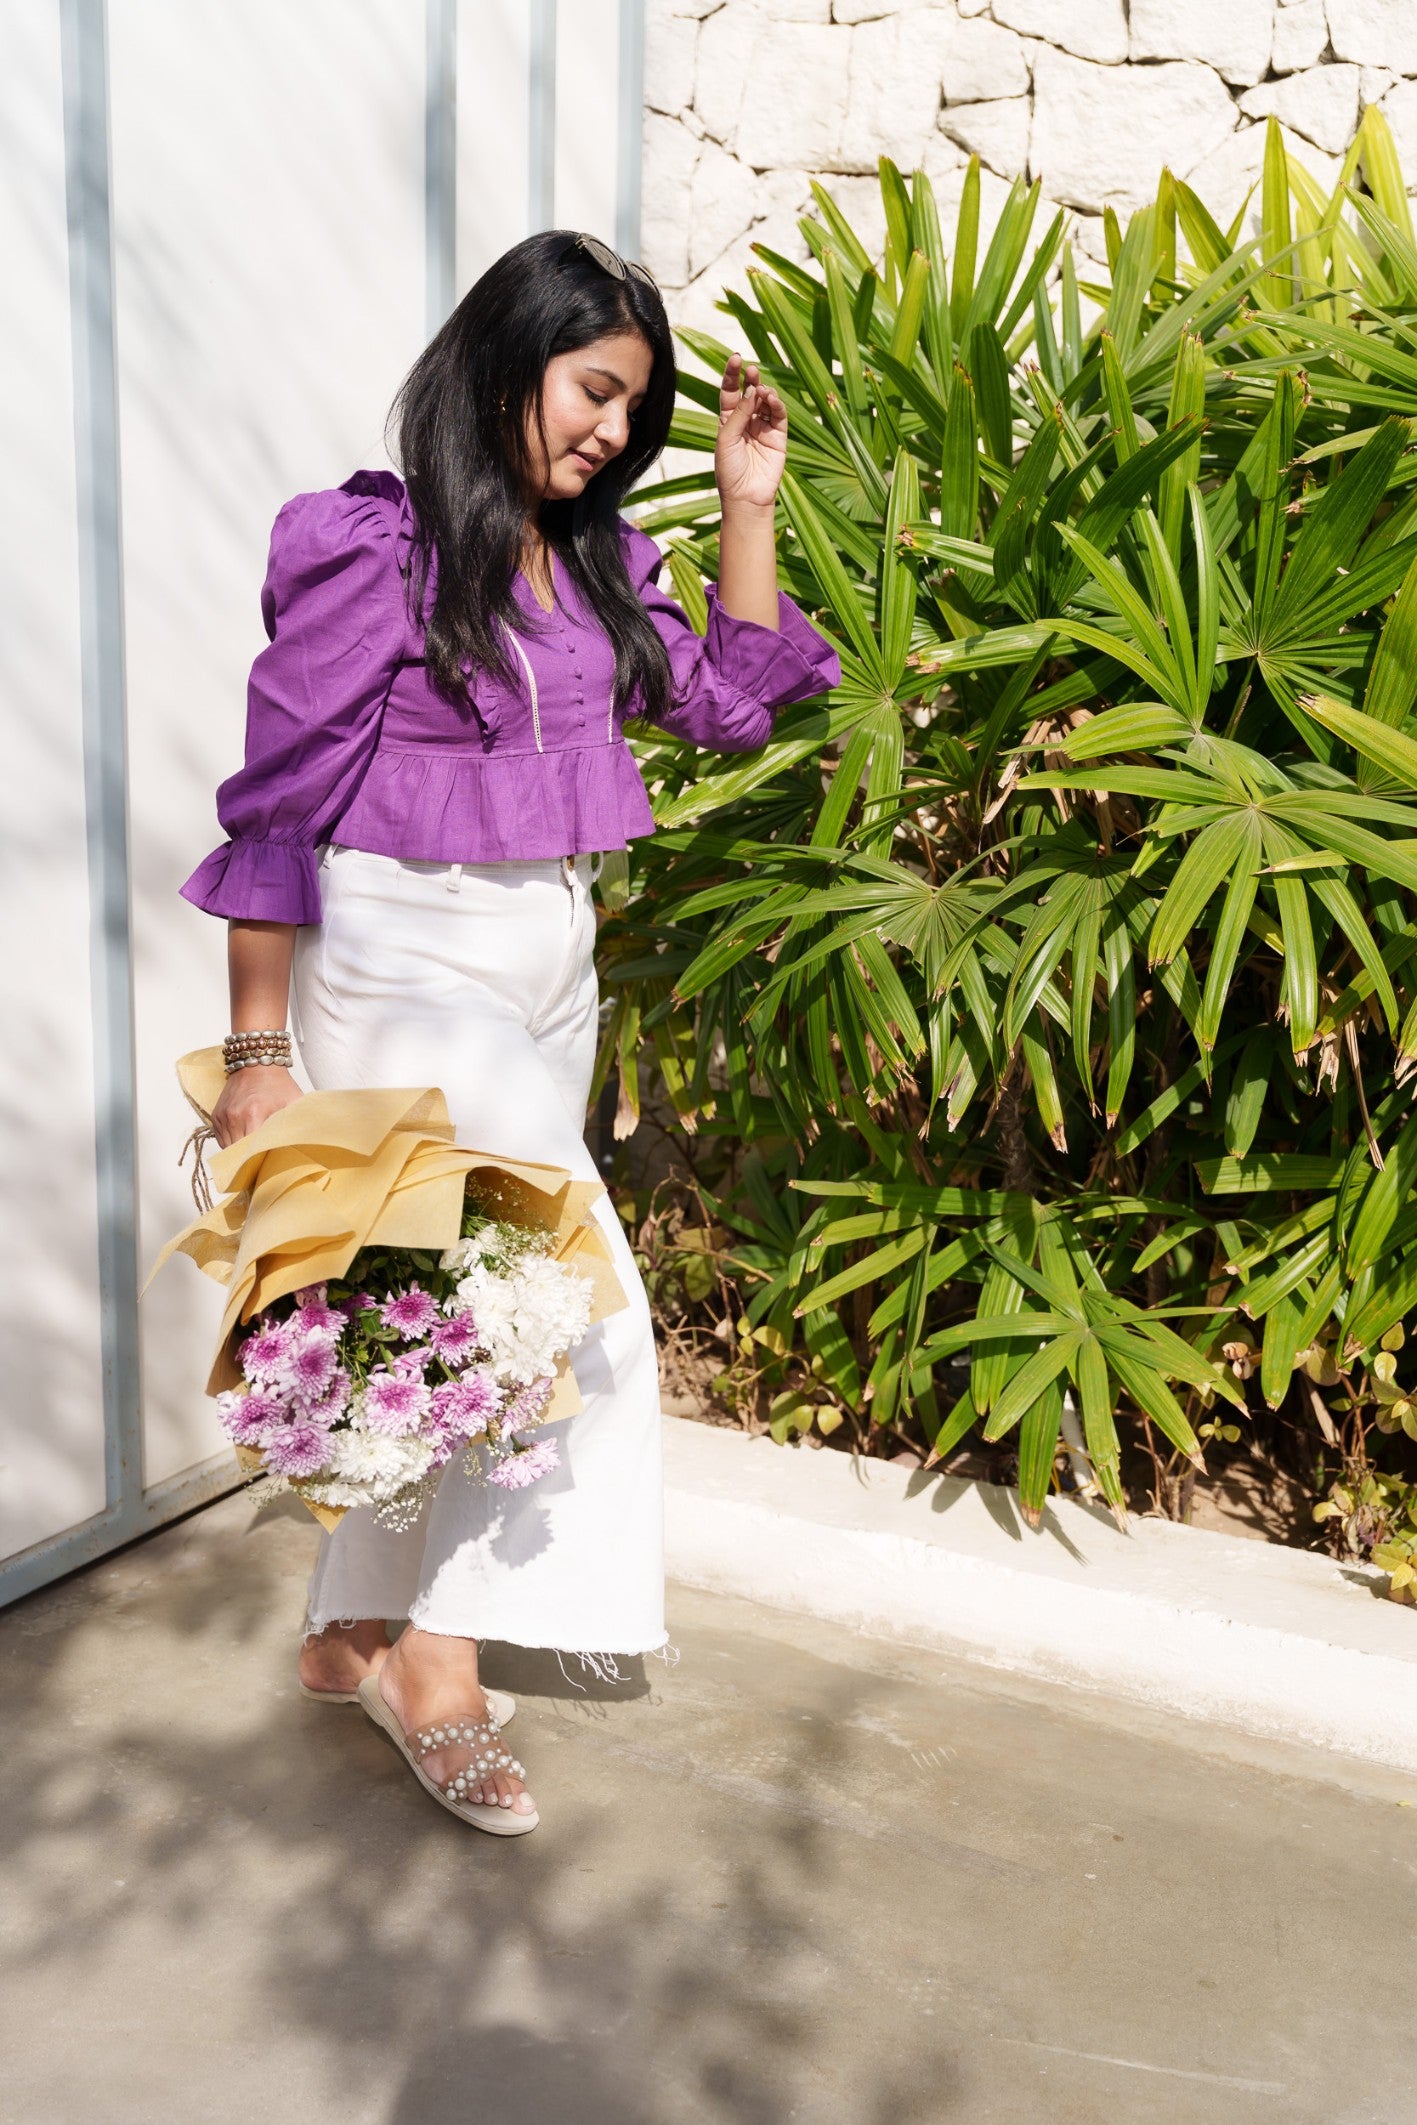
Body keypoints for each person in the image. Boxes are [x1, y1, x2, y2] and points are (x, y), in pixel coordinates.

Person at [181, 227, 842, 1836]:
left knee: (455, 1305)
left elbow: (736, 702)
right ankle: (439, 1660)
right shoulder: (376, 549)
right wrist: (258, 1061)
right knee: (570, 1304)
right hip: (403, 945)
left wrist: (745, 502)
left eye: (636, 407)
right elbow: (274, 807)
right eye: (591, 388)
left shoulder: (602, 562)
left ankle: (349, 1613)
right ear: (502, 362)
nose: (611, 429)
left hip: (551, 950)